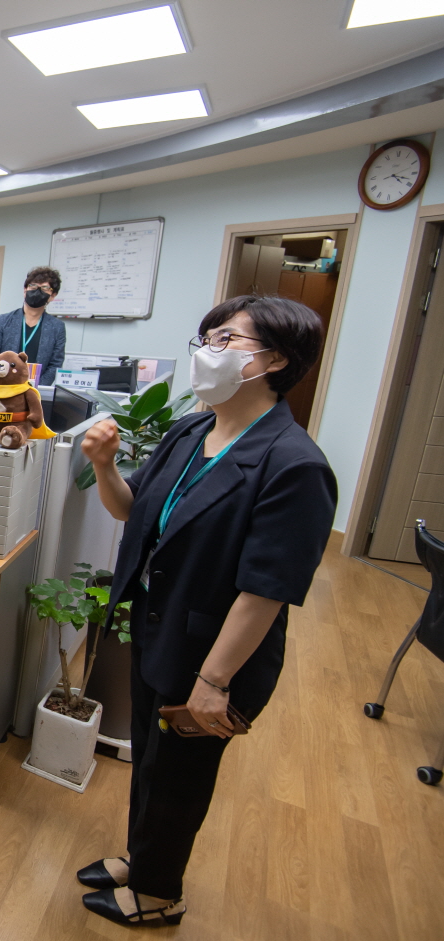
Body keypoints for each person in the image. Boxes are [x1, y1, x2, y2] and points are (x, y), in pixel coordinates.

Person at [76, 295, 337, 927]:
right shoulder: (192, 432)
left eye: (225, 340)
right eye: (207, 338)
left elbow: (266, 591)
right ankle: (142, 859)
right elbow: (131, 510)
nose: (207, 352)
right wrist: (104, 465)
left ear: (274, 360)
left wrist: (214, 682)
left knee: (181, 777)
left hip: (213, 656)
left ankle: (159, 894)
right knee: (150, 759)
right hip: (157, 625)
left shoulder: (295, 465)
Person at [0, 266, 67, 375]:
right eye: (33, 286)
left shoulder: (57, 327)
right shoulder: (3, 321)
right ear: (25, 290)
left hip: (36, 384)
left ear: (53, 296)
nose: (37, 291)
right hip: (2, 382)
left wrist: (37, 384)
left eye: (45, 288)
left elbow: (55, 364)